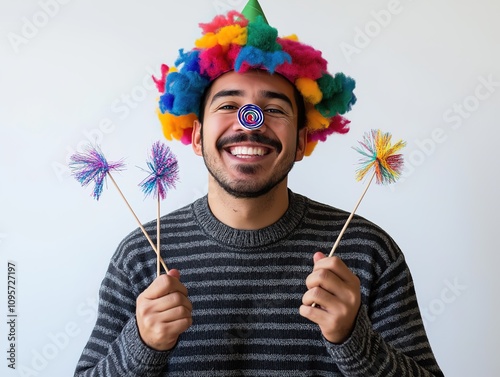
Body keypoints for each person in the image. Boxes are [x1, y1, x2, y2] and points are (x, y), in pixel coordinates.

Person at [74, 1, 443, 375]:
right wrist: (142, 344)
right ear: (198, 136)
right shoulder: (142, 256)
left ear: (301, 141)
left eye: (275, 108)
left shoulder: (366, 251)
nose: (250, 123)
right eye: (229, 105)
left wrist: (354, 340)